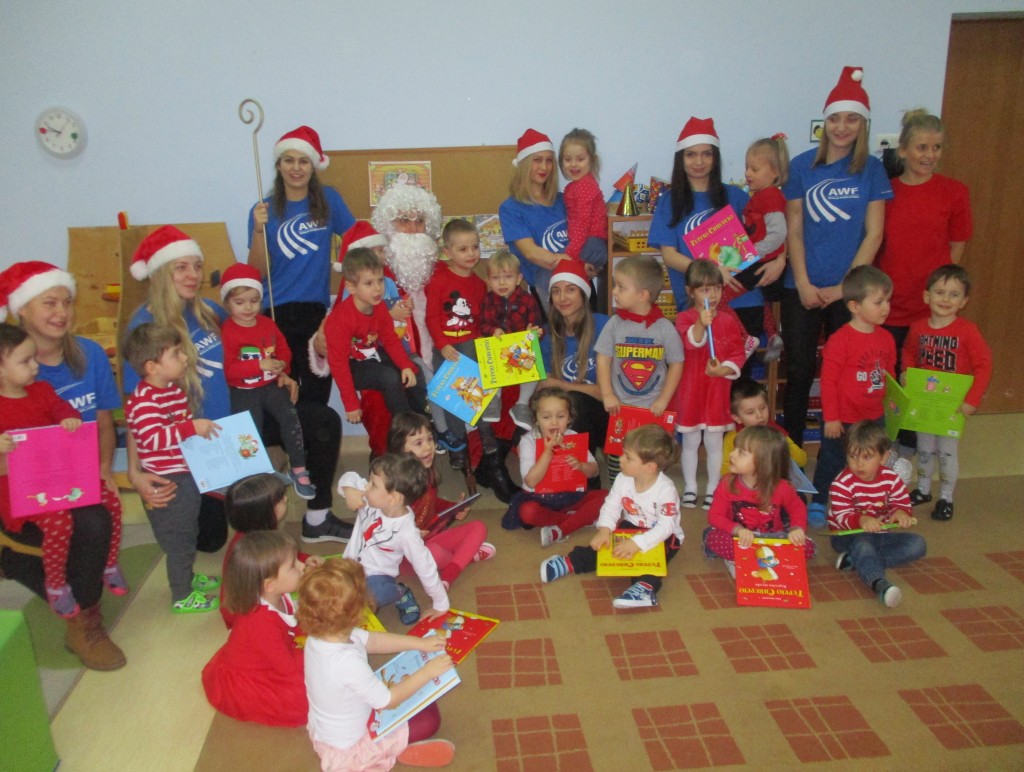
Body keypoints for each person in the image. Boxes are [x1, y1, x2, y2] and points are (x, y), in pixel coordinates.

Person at [124, 225, 349, 546]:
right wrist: (135, 471)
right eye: (181, 267)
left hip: (246, 413)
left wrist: (281, 373)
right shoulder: (144, 327)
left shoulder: (210, 311)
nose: (193, 275)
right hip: (200, 437)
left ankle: (318, 518)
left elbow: (258, 341)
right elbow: (136, 409)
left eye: (197, 266)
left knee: (321, 420)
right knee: (210, 539)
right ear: (160, 272)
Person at [0, 261, 126, 670]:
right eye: (49, 302)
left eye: (67, 302)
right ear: (22, 309)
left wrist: (104, 468)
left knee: (101, 510)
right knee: (90, 524)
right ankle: (84, 622)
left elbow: (103, 422)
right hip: (19, 486)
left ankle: (56, 583)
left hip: (74, 475)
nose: (62, 312)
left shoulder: (88, 354)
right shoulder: (9, 370)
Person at [781, 67, 893, 446]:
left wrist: (845, 288)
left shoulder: (872, 169)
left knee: (849, 373)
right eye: (834, 119)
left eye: (851, 119)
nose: (842, 127)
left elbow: (874, 233)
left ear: (863, 124)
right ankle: (791, 454)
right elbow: (794, 229)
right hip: (803, 286)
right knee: (799, 371)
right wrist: (802, 282)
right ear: (824, 122)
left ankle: (852, 453)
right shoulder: (801, 166)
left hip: (851, 291)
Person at [0, 325, 117, 618]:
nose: (35, 366)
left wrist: (69, 419)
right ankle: (55, 584)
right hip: (21, 495)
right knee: (60, 522)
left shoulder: (41, 390)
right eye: (25, 361)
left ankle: (109, 563)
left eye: (34, 358)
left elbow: (63, 409)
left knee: (110, 500)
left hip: (58, 479)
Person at [298, 558, 456, 770]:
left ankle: (395, 747)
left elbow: (373, 641)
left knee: (421, 698)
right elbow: (387, 701)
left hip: (330, 731)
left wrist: (419, 643)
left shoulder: (320, 636)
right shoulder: (346, 662)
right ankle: (387, 752)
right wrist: (428, 672)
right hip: (350, 747)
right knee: (429, 720)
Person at [247, 125, 355, 405]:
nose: (296, 168)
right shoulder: (263, 210)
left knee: (317, 395)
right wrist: (258, 230)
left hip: (315, 312)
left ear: (313, 166)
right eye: (289, 160)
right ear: (279, 165)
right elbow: (256, 273)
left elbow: (355, 241)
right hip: (274, 312)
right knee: (285, 397)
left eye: (303, 161)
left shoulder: (329, 199)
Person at [122, 322, 222, 613]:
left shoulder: (172, 391)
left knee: (189, 530)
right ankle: (181, 594)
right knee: (179, 540)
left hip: (184, 475)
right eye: (176, 354)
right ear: (152, 367)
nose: (185, 358)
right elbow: (152, 439)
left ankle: (187, 577)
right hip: (167, 481)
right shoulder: (143, 401)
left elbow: (178, 434)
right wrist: (191, 428)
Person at [647, 117, 772, 347]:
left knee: (738, 367)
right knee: (703, 367)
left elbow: (769, 234)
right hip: (697, 305)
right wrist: (712, 274)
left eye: (707, 154)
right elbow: (669, 256)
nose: (699, 161)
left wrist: (779, 261)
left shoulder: (736, 196)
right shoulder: (669, 201)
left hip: (743, 300)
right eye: (691, 154)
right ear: (681, 159)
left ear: (715, 158)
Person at [425, 218, 517, 501]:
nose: (471, 254)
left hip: (470, 348)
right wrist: (442, 345)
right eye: (463, 249)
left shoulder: (478, 284)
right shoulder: (439, 279)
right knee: (453, 388)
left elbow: (481, 322)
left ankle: (477, 433)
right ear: (447, 251)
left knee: (467, 374)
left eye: (475, 247)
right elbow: (432, 317)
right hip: (446, 349)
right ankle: (461, 443)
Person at [540, 425, 683, 609]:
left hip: (664, 536)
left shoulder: (666, 490)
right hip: (631, 526)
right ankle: (570, 562)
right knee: (603, 546)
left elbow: (666, 527)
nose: (620, 459)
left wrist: (637, 543)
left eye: (628, 457)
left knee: (652, 561)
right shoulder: (623, 478)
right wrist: (605, 529)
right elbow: (611, 505)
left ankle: (645, 589)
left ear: (649, 467)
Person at [875, 110, 972, 366]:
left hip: (933, 309)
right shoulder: (885, 193)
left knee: (927, 379)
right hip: (890, 305)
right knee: (889, 376)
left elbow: (957, 244)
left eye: (936, 147)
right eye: (922, 147)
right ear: (903, 150)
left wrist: (941, 291)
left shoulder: (955, 192)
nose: (930, 155)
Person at [901, 265, 992, 521]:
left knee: (947, 452)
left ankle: (946, 498)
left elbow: (984, 365)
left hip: (952, 406)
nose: (945, 299)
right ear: (926, 296)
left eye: (954, 294)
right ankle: (923, 489)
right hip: (925, 403)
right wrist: (907, 372)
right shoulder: (918, 328)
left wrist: (972, 400)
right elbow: (908, 351)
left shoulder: (967, 331)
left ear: (964, 301)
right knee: (925, 448)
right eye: (940, 292)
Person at [810, 266, 896, 526]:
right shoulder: (840, 340)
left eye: (888, 300)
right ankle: (819, 500)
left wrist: (892, 402)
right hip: (842, 418)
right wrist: (832, 417)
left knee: (868, 461)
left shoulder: (887, 339)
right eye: (878, 302)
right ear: (855, 306)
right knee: (832, 460)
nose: (886, 307)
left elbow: (889, 375)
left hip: (874, 417)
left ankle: (862, 503)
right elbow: (828, 381)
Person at [219, 262, 313, 500]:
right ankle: (251, 476)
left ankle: (298, 469)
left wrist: (282, 364)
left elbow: (283, 349)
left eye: (254, 300)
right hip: (243, 390)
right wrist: (259, 365)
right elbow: (228, 370)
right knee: (248, 433)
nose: (248, 307)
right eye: (239, 302)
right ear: (227, 303)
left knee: (290, 419)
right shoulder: (228, 331)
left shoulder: (267, 323)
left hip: (271, 385)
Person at [201, 530, 307, 727]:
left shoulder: (278, 595)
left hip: (272, 656)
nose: (302, 566)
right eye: (293, 566)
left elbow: (294, 623)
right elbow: (288, 669)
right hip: (250, 679)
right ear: (270, 585)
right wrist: (315, 652)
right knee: (304, 697)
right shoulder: (260, 621)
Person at [596, 255, 684, 483]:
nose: (614, 291)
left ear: (643, 294)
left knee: (649, 462)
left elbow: (677, 363)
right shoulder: (614, 324)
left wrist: (663, 400)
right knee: (618, 460)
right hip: (620, 408)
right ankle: (618, 495)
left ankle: (647, 499)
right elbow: (603, 359)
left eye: (621, 287)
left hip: (652, 410)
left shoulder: (664, 328)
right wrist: (607, 394)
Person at [324, 247, 428, 437]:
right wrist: (351, 404)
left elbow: (390, 340)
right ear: (351, 287)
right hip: (352, 364)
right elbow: (338, 364)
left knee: (415, 370)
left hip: (373, 355)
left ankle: (422, 422)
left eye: (380, 280)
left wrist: (405, 365)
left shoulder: (379, 307)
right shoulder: (340, 320)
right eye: (369, 283)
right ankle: (406, 432)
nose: (378, 288)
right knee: (388, 377)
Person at [386, 412, 495, 590]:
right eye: (418, 443)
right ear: (400, 449)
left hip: (432, 537)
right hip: (408, 553)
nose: (428, 447)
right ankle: (462, 561)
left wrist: (454, 508)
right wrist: (411, 535)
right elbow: (386, 529)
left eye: (430, 439)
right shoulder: (395, 487)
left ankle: (452, 569)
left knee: (479, 527)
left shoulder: (426, 472)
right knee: (434, 552)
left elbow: (431, 501)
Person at [339, 454, 449, 625]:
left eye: (373, 484)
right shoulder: (369, 498)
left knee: (373, 596)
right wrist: (348, 491)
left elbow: (425, 566)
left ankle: (400, 592)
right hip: (348, 565)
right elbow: (349, 477)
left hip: (377, 576)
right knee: (327, 589)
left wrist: (441, 603)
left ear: (393, 498)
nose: (366, 487)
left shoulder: (407, 533)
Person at [828, 421, 924, 608]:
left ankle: (855, 561)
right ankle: (879, 583)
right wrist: (861, 519)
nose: (859, 463)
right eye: (853, 456)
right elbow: (841, 516)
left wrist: (901, 513)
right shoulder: (842, 483)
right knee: (863, 545)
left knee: (918, 544)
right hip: (848, 535)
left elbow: (901, 502)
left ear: (884, 457)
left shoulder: (892, 479)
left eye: (867, 457)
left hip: (881, 533)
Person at [674, 261, 746, 510]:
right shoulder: (683, 318)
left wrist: (724, 369)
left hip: (716, 392)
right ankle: (690, 487)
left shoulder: (728, 320)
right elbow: (690, 343)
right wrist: (701, 324)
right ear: (690, 291)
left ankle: (714, 489)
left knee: (715, 443)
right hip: (691, 391)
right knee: (691, 442)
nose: (712, 295)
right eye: (705, 290)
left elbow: (738, 353)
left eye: (716, 288)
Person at [704, 425, 814, 578]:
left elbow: (797, 509)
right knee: (714, 538)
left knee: (807, 547)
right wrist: (737, 530)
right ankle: (747, 559)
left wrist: (797, 529)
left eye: (741, 452)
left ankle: (756, 559)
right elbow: (715, 516)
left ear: (763, 462)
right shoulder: (727, 483)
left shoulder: (782, 487)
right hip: (739, 537)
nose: (732, 454)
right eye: (735, 449)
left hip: (772, 538)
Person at [501, 387, 605, 546]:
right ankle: (576, 520)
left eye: (561, 416)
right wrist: (548, 452)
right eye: (546, 417)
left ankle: (560, 528)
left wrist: (581, 466)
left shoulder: (573, 437)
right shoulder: (528, 441)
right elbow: (530, 481)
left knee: (605, 497)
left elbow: (595, 471)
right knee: (528, 512)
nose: (554, 422)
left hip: (572, 497)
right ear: (536, 419)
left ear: (569, 418)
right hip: (540, 500)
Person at [537, 260, 610, 457]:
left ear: (583, 293)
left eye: (570, 290)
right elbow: (543, 387)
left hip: (605, 415)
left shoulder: (605, 326)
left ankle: (583, 468)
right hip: (562, 416)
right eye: (556, 291)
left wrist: (561, 385)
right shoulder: (545, 334)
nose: (562, 298)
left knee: (576, 401)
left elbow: (606, 393)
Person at [499, 129, 570, 310]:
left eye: (549, 160)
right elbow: (531, 252)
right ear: (524, 164)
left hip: (578, 282)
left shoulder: (565, 200)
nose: (544, 167)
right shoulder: (511, 208)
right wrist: (571, 262)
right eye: (537, 160)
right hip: (545, 290)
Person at [479, 248, 544, 431]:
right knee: (487, 354)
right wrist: (493, 330)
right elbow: (482, 325)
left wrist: (534, 332)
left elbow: (538, 326)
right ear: (488, 280)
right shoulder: (488, 300)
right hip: (498, 350)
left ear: (518, 278)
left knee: (535, 358)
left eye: (508, 277)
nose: (502, 282)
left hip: (519, 350)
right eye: (496, 278)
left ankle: (522, 404)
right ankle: (494, 398)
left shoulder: (527, 300)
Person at [742, 134, 791, 360]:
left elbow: (778, 233)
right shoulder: (761, 195)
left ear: (774, 172)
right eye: (747, 168)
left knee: (722, 294)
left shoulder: (770, 196)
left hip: (762, 261)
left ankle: (749, 338)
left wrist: (752, 252)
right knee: (761, 301)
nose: (748, 173)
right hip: (761, 259)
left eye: (754, 169)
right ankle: (771, 335)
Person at [719, 380, 807, 477]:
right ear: (737, 418)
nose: (759, 415)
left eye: (763, 408)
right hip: (746, 483)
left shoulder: (776, 433)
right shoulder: (732, 438)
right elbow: (726, 471)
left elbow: (802, 460)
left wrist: (782, 445)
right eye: (750, 412)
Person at [558, 128, 608, 273]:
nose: (573, 164)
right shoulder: (574, 187)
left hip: (592, 244)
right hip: (586, 243)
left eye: (580, 159)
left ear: (592, 160)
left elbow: (582, 223)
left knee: (556, 265)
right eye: (568, 159)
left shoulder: (585, 186)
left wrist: (570, 253)